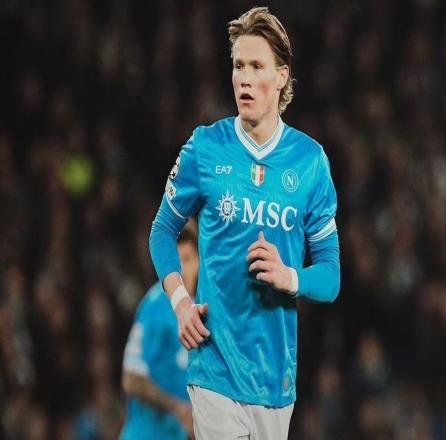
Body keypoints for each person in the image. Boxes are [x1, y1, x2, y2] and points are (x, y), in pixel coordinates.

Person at [149, 6, 341, 439]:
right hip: (214, 367)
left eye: (257, 66)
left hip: (276, 380)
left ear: (282, 76)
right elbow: (161, 231)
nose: (244, 79)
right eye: (238, 66)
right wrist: (180, 303)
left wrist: (289, 276)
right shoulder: (205, 148)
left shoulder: (310, 162)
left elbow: (331, 276)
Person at [120, 227, 199, 439]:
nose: (181, 268)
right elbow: (131, 379)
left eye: (188, 259)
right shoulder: (156, 304)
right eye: (176, 260)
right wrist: (177, 408)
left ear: (199, 262)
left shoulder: (205, 307)